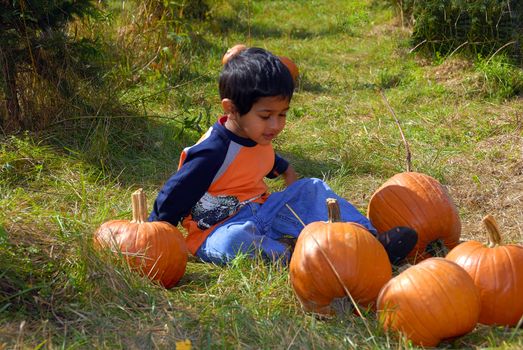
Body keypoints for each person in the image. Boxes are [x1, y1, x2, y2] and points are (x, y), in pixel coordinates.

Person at [149, 47, 417, 265]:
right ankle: (299, 257)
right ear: (231, 110)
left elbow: (266, 162)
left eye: (282, 114)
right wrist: (156, 232)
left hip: (265, 212)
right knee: (234, 243)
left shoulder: (257, 135)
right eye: (266, 116)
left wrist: (288, 173)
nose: (276, 125)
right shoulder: (211, 153)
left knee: (312, 188)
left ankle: (369, 242)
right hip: (219, 230)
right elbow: (175, 193)